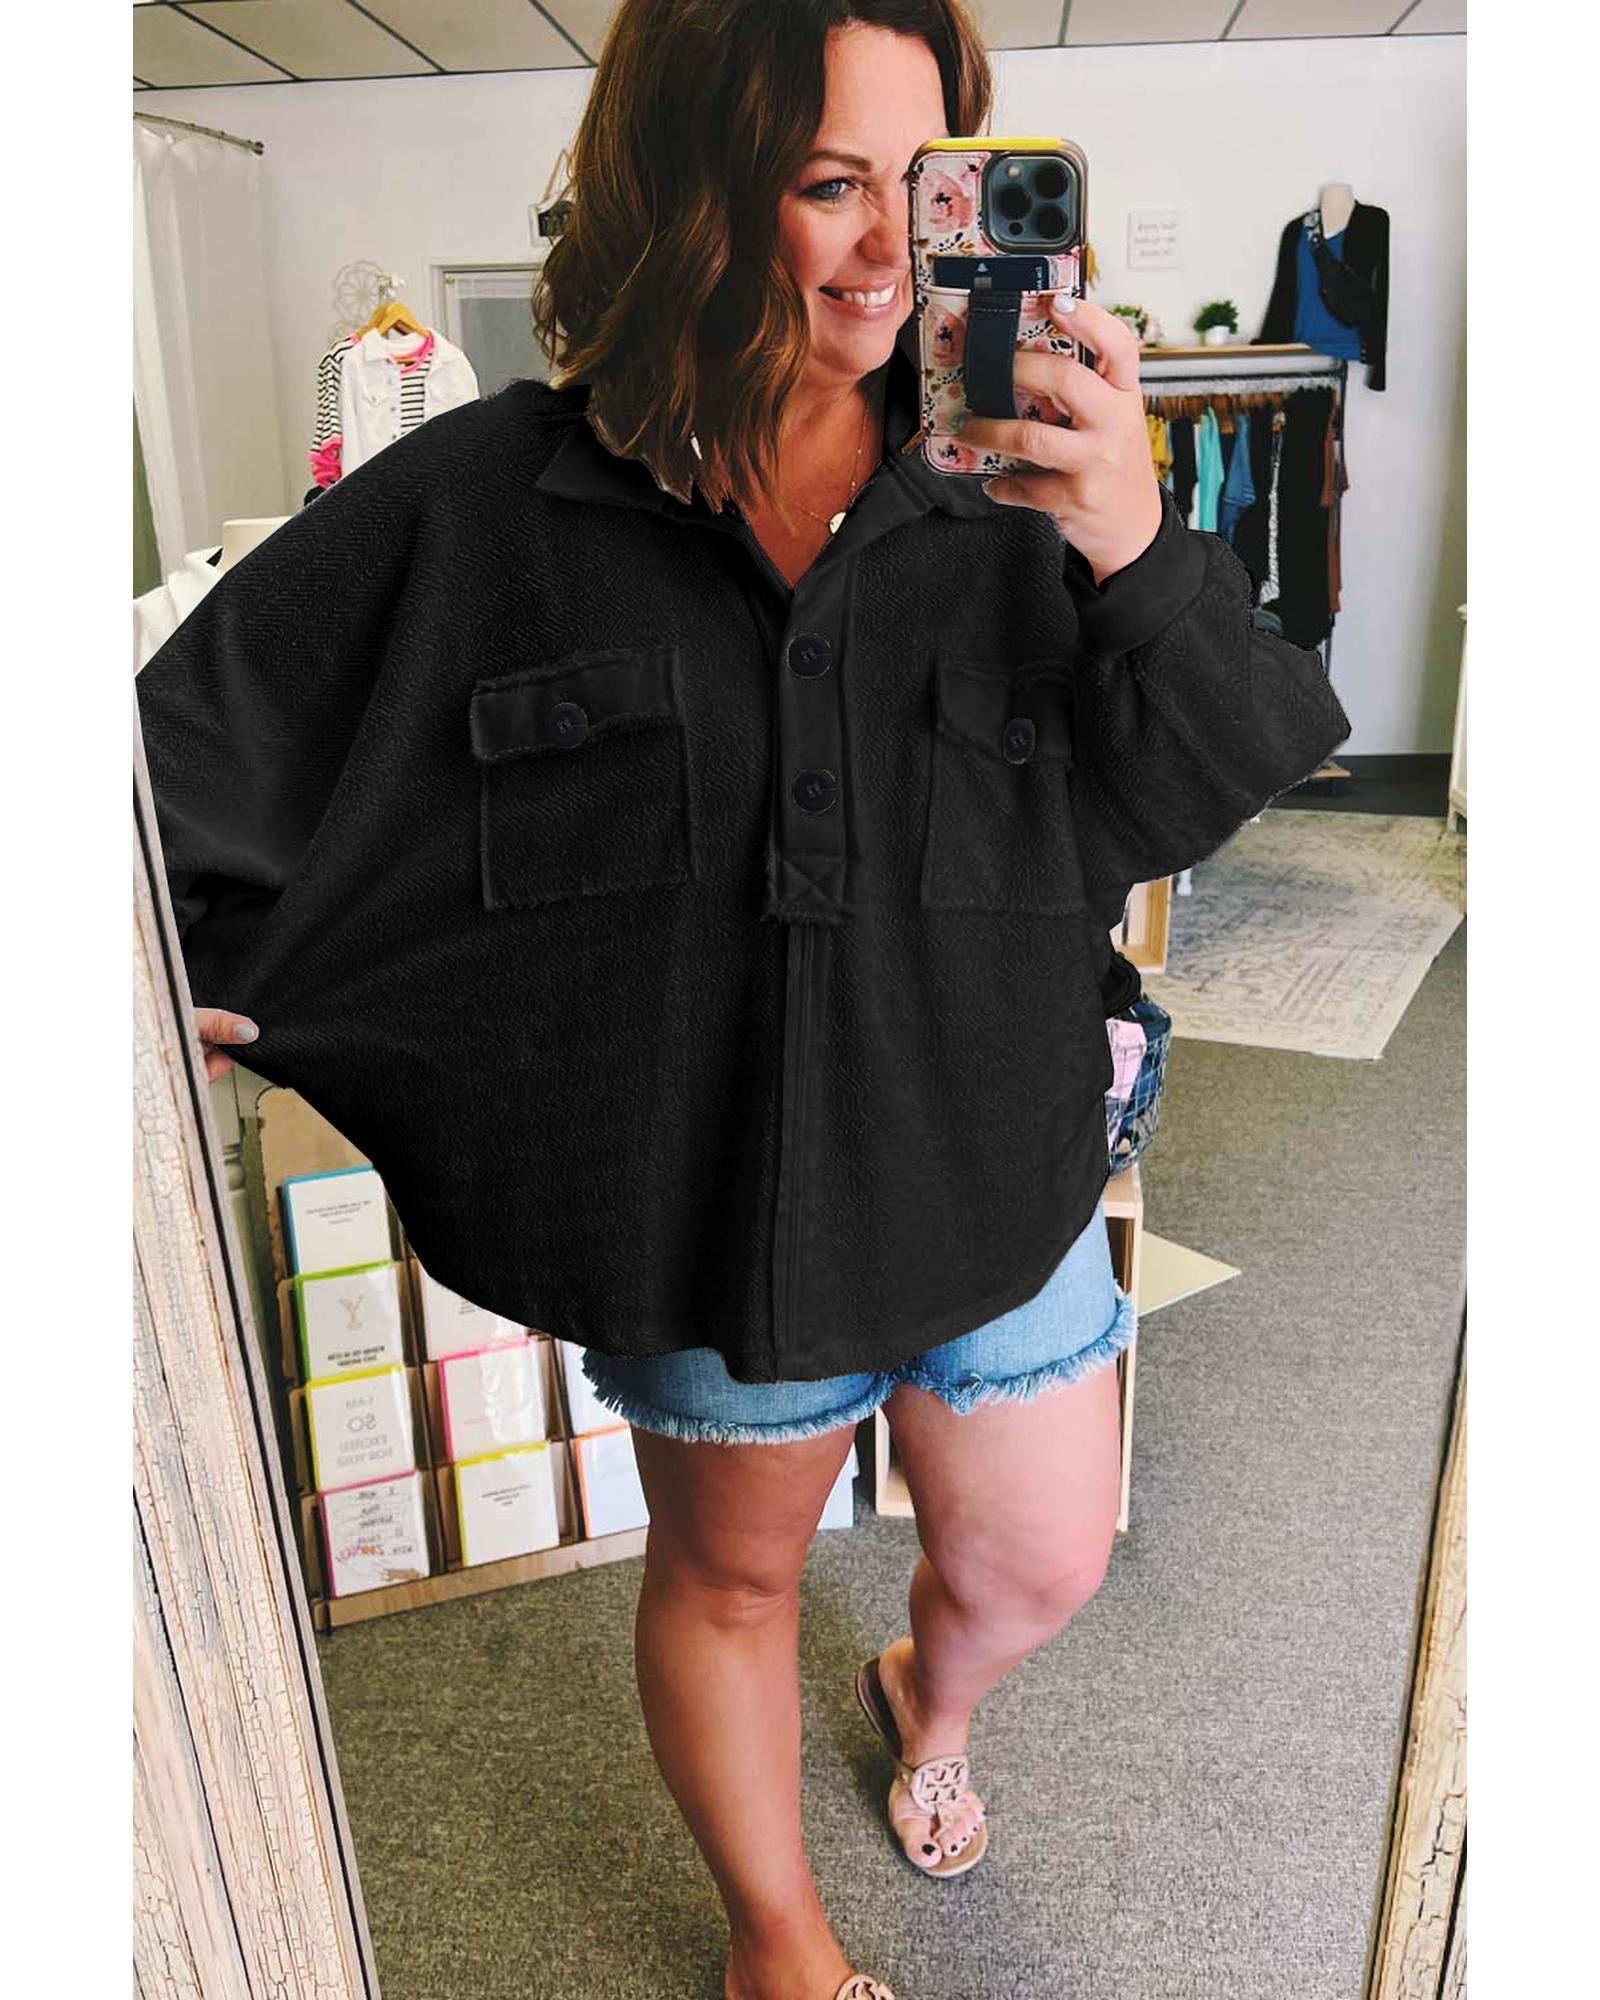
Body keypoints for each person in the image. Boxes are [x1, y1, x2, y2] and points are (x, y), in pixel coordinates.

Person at [163, 5, 1350, 1997]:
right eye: (825, 183)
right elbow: (172, 771)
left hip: (991, 1157)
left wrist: (1135, 543)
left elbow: (1225, 777)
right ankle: (773, 1939)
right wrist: (171, 993)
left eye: (927, 180)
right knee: (727, 1579)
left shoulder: (1036, 488)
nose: (892, 248)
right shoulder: (492, 503)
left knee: (1042, 1558)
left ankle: (926, 1695)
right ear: (692, 193)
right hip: (714, 1217)